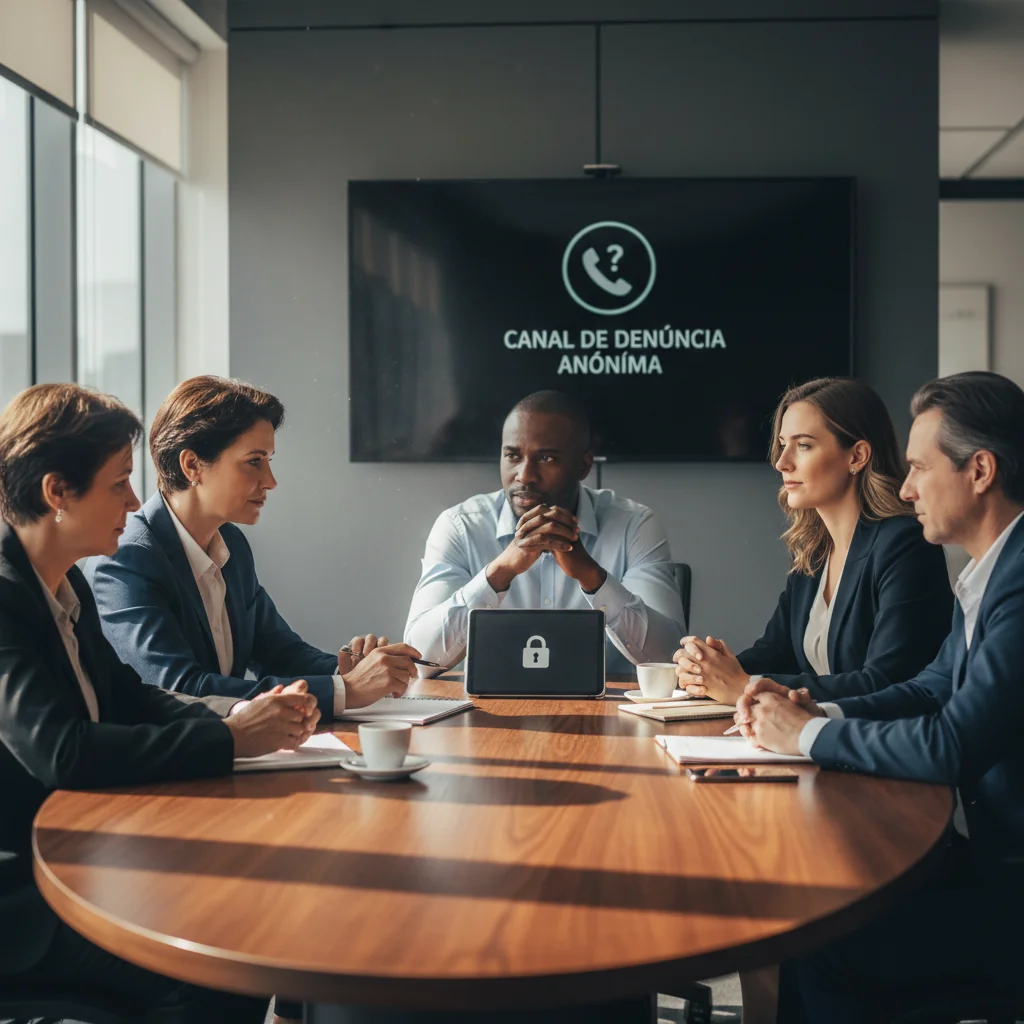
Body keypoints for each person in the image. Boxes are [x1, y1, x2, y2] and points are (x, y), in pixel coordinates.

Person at [0, 383, 318, 1022]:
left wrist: (237, 718)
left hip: (83, 850)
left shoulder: (64, 588)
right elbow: (63, 751)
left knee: (259, 906)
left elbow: (131, 694)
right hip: (26, 899)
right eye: (119, 483)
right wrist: (231, 738)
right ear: (57, 492)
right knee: (219, 960)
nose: (136, 500)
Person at [735, 371, 1024, 1023]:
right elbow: (928, 686)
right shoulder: (989, 576)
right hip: (979, 852)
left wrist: (806, 735)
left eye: (920, 468)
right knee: (803, 913)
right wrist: (815, 712)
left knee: (824, 937)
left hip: (1007, 881)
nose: (909, 486)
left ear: (980, 471)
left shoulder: (1017, 586)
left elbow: (951, 742)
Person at [89, 376, 419, 722]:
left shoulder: (231, 544)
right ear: (192, 466)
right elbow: (180, 687)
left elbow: (279, 651)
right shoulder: (127, 560)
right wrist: (348, 690)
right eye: (254, 461)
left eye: (268, 461)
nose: (271, 481)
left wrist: (351, 670)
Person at [673, 377, 952, 707]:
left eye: (803, 445)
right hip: (809, 742)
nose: (781, 462)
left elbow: (886, 682)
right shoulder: (816, 551)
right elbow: (775, 653)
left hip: (874, 748)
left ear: (857, 456)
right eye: (782, 444)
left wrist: (744, 685)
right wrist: (707, 671)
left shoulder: (905, 546)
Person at [404, 390, 686, 673]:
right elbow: (419, 660)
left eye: (547, 458)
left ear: (584, 466)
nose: (525, 475)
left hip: (609, 710)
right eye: (512, 455)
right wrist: (499, 572)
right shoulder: (460, 526)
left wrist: (592, 576)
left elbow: (670, 658)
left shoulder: (633, 525)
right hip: (489, 712)